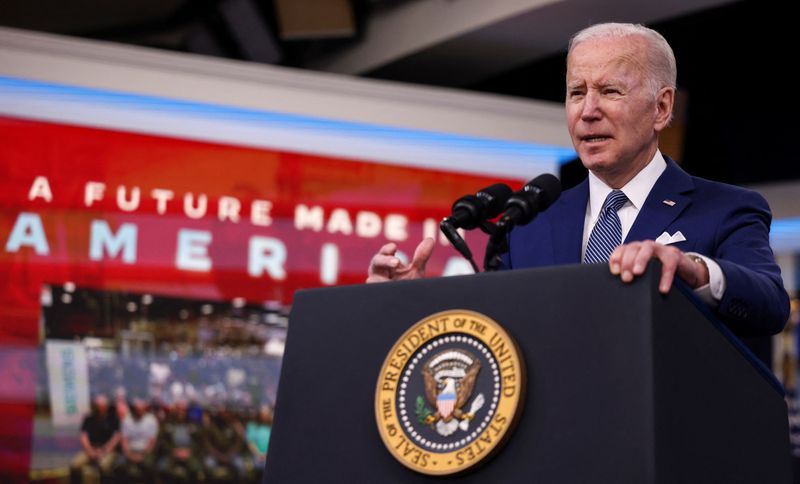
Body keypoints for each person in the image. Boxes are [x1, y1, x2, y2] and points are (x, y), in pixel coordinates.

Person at [367, 22, 789, 337]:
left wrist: (693, 269)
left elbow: (770, 304)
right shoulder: (530, 223)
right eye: (576, 92)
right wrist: (414, 302)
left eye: (609, 91)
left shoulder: (727, 208)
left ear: (661, 108)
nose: (587, 111)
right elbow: (495, 335)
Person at [70, 393, 121, 484]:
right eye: (98, 405)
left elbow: (116, 437)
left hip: (108, 450)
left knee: (104, 466)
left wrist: (105, 450)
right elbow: (83, 436)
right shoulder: (89, 418)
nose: (100, 407)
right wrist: (90, 451)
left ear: (106, 406)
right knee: (74, 465)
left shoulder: (113, 418)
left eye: (102, 405)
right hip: (90, 449)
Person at [115, 397, 159, 482]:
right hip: (129, 450)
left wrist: (143, 455)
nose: (139, 411)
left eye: (141, 409)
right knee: (119, 466)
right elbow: (124, 440)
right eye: (137, 409)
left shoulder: (151, 420)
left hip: (145, 452)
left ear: (145, 409)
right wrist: (128, 454)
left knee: (149, 466)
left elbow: (152, 441)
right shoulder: (126, 420)